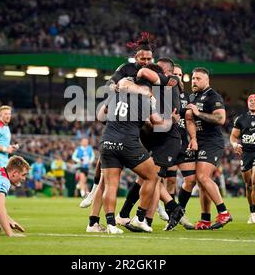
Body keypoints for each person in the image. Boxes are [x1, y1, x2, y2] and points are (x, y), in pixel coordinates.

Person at [98, 64, 175, 234]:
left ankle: (111, 224)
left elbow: (101, 116)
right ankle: (140, 218)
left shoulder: (118, 92)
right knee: (152, 176)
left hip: (107, 141)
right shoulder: (147, 98)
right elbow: (157, 122)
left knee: (111, 185)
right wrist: (171, 119)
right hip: (128, 142)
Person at [185, 67, 232, 230]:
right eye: (193, 78)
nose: (194, 81)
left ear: (207, 80)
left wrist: (198, 113)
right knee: (201, 180)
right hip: (199, 141)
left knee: (202, 177)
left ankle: (224, 212)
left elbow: (220, 119)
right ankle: (205, 219)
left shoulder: (213, 96)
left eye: (198, 78)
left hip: (212, 142)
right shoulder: (193, 96)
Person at [230, 94, 255, 224]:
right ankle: (251, 211)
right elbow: (233, 137)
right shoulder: (240, 119)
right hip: (245, 154)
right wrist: (235, 145)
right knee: (248, 185)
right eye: (250, 100)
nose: (252, 102)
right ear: (247, 103)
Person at [166, 64, 197, 229]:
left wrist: (194, 138)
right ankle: (171, 214)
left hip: (184, 144)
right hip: (169, 142)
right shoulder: (164, 94)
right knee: (169, 180)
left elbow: (192, 120)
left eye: (179, 74)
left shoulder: (190, 98)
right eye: (174, 74)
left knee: (191, 180)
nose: (177, 76)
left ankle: (180, 213)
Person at [0, 105, 18, 170]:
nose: (8, 116)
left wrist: (10, 147)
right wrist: (6, 149)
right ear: (0, 115)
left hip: (3, 158)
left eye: (9, 114)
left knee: (3, 179)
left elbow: (1, 142)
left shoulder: (5, 126)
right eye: (6, 114)